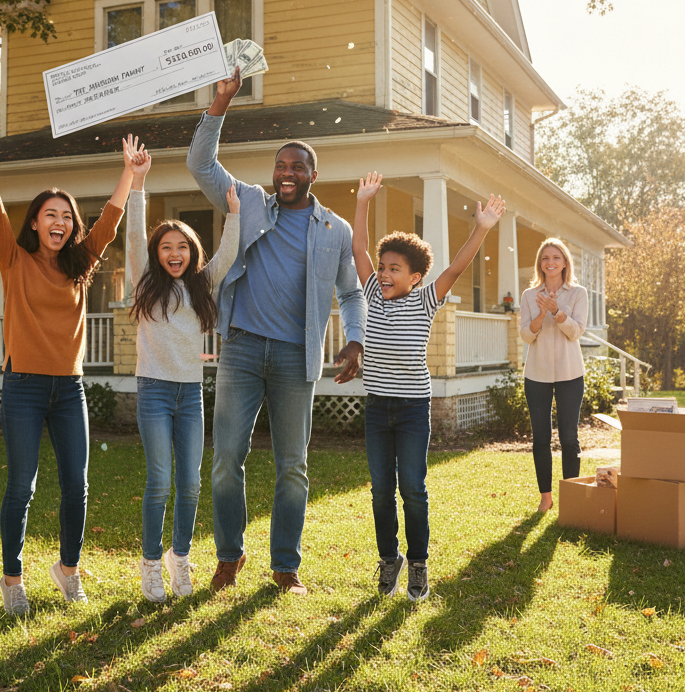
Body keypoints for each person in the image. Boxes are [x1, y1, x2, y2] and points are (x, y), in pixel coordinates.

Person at [186, 68, 367, 595]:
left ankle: (285, 567)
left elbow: (352, 293)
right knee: (225, 462)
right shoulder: (249, 203)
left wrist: (353, 338)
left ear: (313, 173)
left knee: (293, 467)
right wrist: (220, 104)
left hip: (295, 359)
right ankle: (228, 557)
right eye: (280, 165)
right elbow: (200, 163)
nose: (286, 172)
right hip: (241, 349)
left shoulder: (335, 229)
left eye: (297, 166)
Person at [0, 114, 142, 615]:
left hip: (70, 389)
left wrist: (129, 172)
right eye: (50, 215)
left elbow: (110, 221)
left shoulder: (80, 264)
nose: (60, 223)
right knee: (23, 484)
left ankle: (69, 569)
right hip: (23, 386)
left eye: (66, 217)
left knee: (76, 484)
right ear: (35, 222)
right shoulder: (13, 259)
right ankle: (12, 579)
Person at [353, 172, 505, 601]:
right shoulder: (372, 294)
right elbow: (359, 248)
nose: (384, 273)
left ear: (415, 277)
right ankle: (389, 560)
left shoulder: (425, 300)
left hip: (414, 409)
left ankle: (418, 562)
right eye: (383, 268)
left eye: (394, 269)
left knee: (412, 488)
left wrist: (482, 227)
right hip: (378, 408)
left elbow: (457, 266)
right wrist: (364, 201)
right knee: (381, 489)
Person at [127, 147, 241, 601]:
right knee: (160, 481)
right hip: (154, 390)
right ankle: (151, 565)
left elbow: (227, 256)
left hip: (189, 394)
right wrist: (137, 183)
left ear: (192, 252)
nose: (174, 253)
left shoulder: (201, 285)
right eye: (166, 247)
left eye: (182, 247)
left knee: (191, 484)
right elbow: (134, 237)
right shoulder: (145, 282)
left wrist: (233, 214)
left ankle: (180, 558)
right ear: (157, 254)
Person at [519, 238, 589, 513]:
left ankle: (570, 497)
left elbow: (576, 332)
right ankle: (546, 497)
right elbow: (527, 335)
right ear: (540, 262)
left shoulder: (578, 293)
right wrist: (541, 313)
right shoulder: (528, 295)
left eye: (556, 257)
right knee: (540, 438)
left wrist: (557, 312)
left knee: (569, 438)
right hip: (537, 375)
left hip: (571, 374)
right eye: (545, 257)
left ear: (564, 262)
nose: (550, 262)